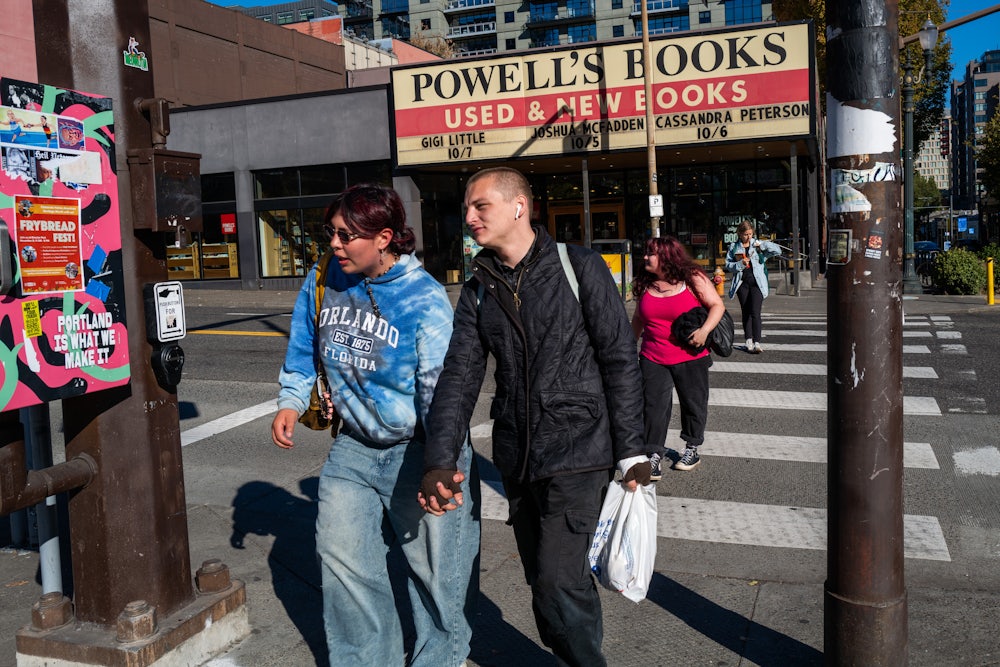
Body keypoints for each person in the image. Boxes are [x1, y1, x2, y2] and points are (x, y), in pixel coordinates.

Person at [418, 166, 650, 666]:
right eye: (466, 209)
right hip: (518, 454)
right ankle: (574, 652)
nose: (470, 217)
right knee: (543, 583)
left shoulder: (579, 267)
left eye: (481, 207)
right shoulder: (480, 286)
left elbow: (620, 361)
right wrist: (439, 459)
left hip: (580, 447)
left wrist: (633, 449)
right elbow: (459, 377)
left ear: (518, 207)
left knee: (557, 581)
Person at [271, 183, 479, 667]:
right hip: (353, 447)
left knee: (437, 578)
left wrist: (440, 466)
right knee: (345, 568)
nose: (335, 244)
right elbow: (303, 349)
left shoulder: (422, 299)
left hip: (419, 449)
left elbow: (439, 392)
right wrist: (290, 400)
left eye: (347, 236)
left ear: (384, 237)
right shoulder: (324, 278)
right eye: (332, 234)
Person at [632, 236, 726, 475]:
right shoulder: (645, 283)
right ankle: (653, 455)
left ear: (665, 256)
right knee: (653, 407)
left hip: (690, 355)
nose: (645, 257)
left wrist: (704, 331)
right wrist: (627, 346)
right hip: (653, 356)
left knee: (693, 403)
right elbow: (638, 319)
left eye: (650, 253)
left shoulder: (692, 278)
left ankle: (692, 448)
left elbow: (717, 305)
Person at [725, 220, 782, 353]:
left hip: (757, 283)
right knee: (746, 312)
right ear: (740, 234)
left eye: (750, 234)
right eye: (745, 234)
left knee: (755, 312)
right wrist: (740, 264)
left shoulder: (757, 246)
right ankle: (748, 340)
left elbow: (777, 250)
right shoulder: (734, 247)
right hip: (742, 284)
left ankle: (757, 342)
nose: (748, 237)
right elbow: (728, 265)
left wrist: (763, 244)